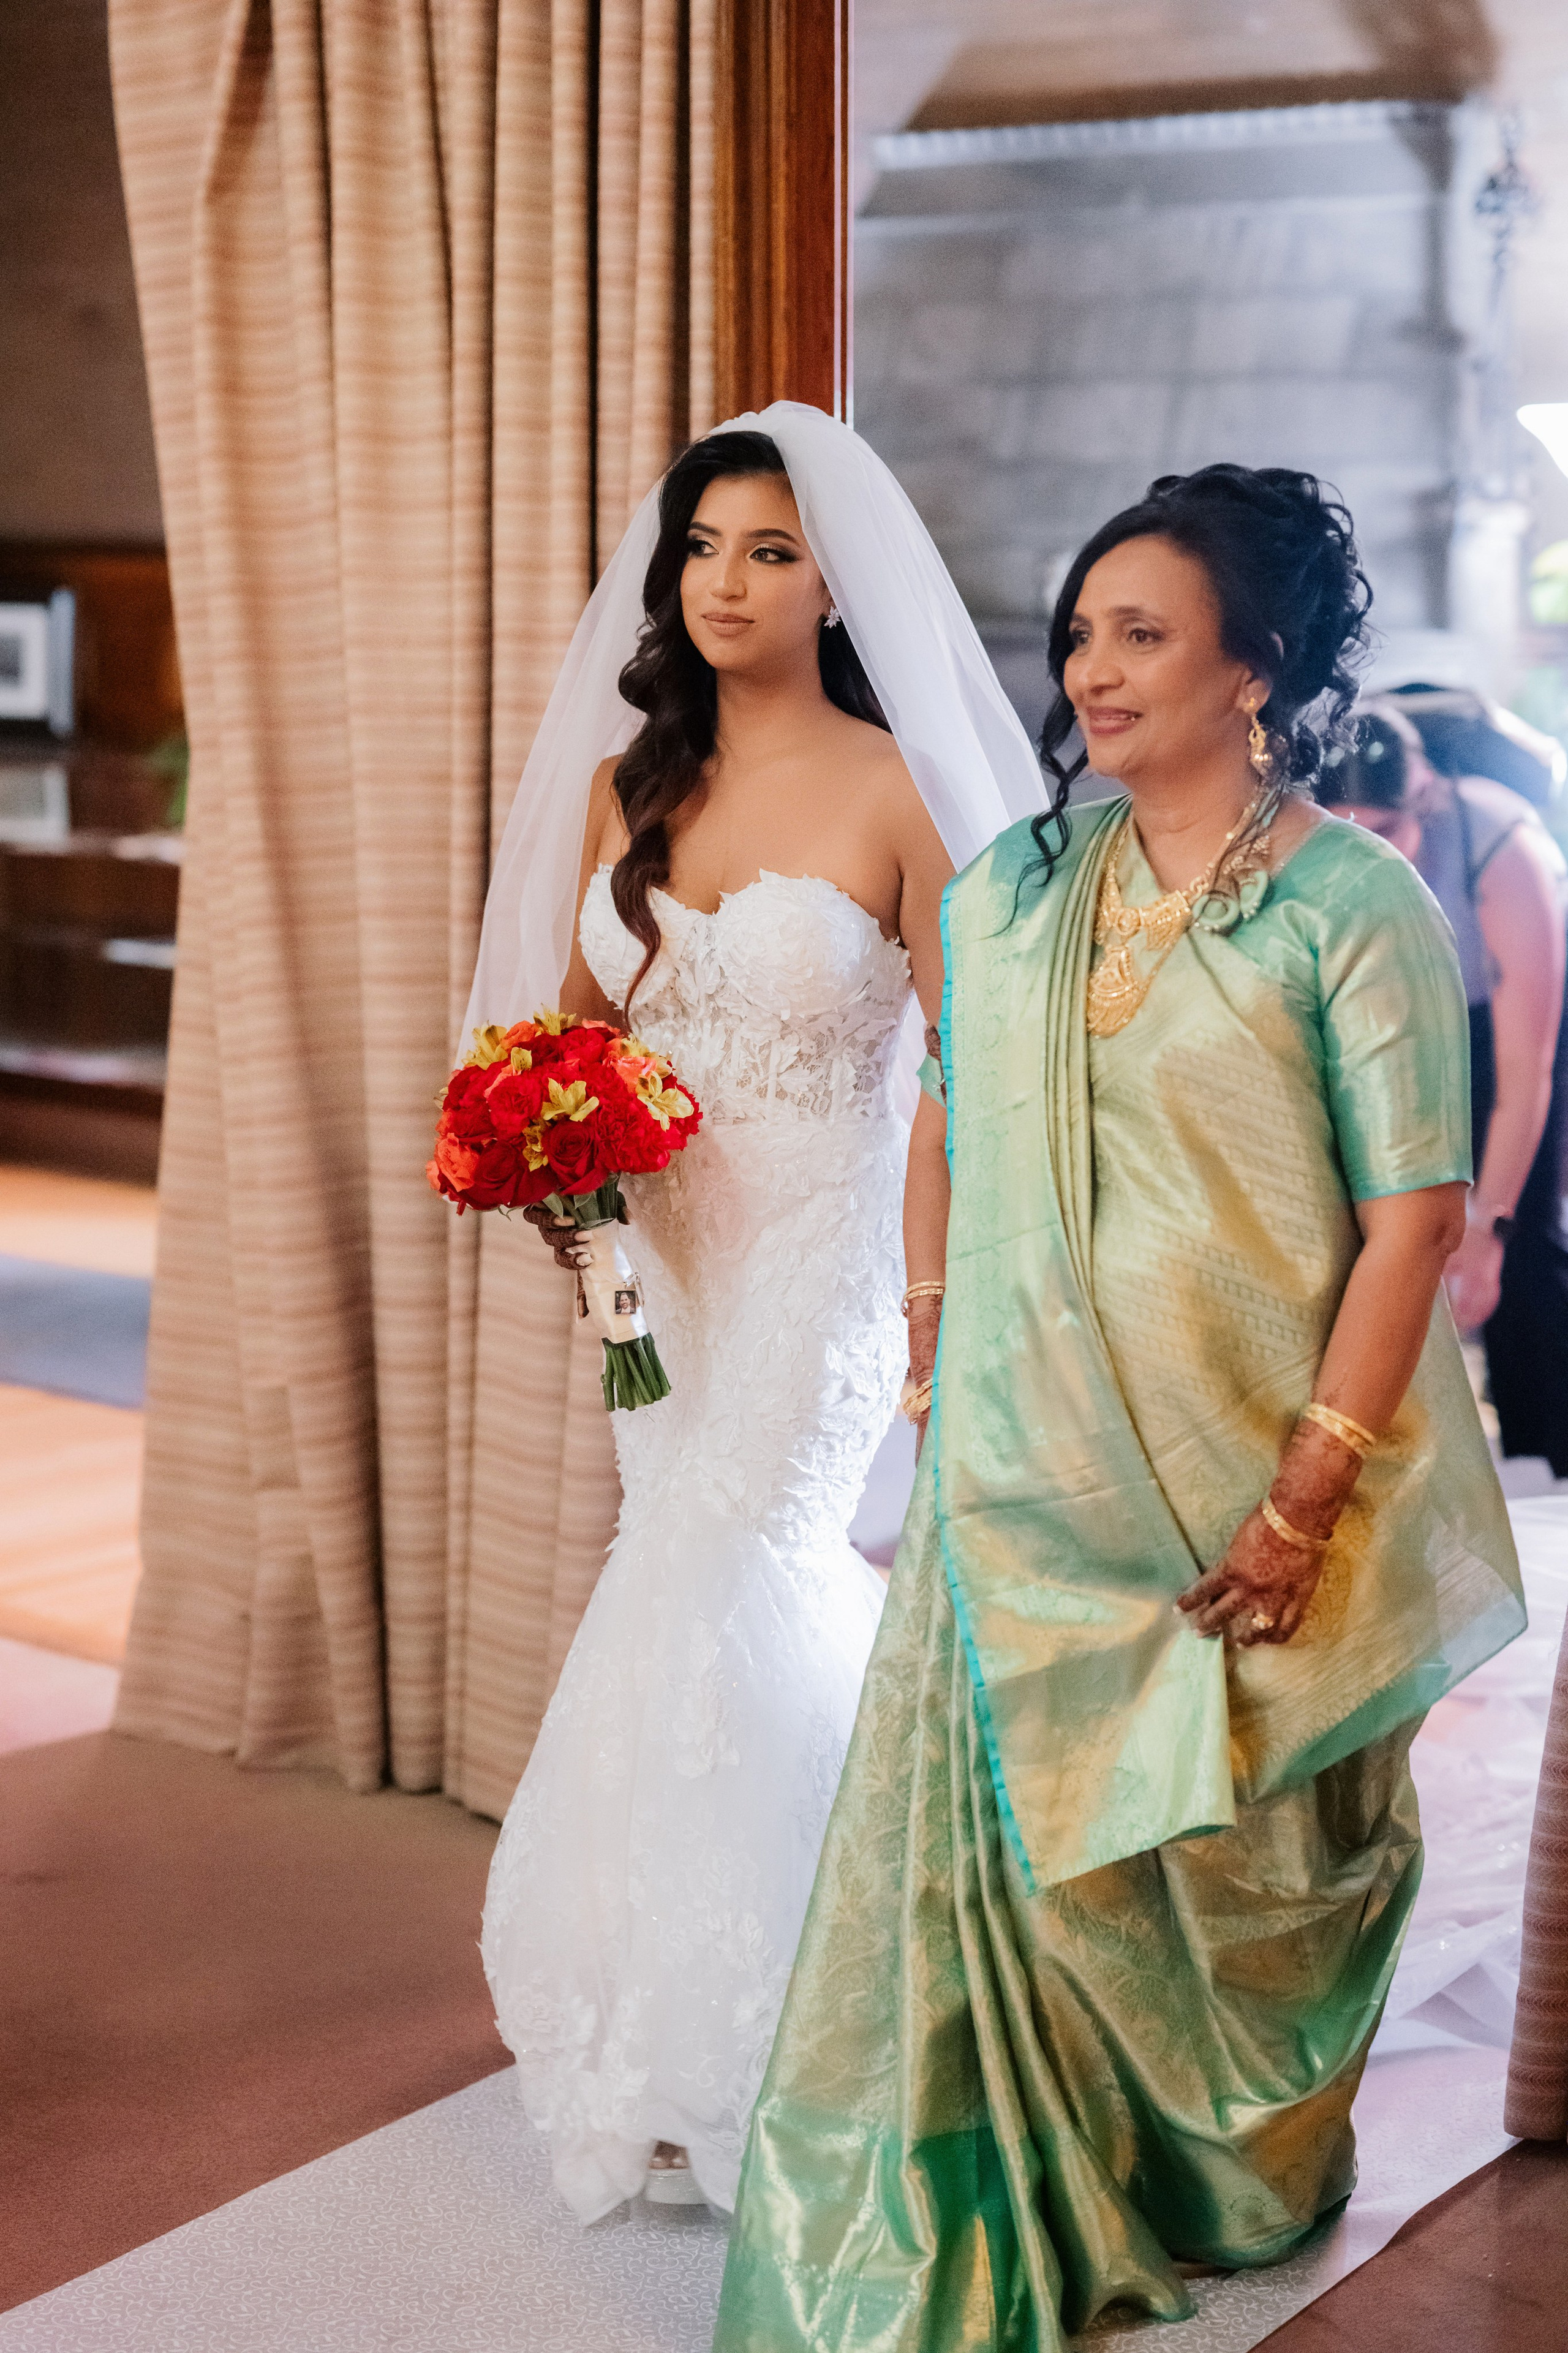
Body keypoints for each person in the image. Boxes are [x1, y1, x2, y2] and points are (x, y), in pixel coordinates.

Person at [714, 466, 1525, 2350]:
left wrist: (1309, 1485)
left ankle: (1210, 2163)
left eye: (1138, 632)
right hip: (1018, 1467)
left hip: (1253, 1455)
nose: (1088, 667)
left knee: (1242, 1853)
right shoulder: (1009, 889)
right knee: (988, 1861)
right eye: (1079, 630)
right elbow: (939, 1120)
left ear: (1257, 668)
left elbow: (1407, 1214)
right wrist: (936, 1359)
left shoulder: (1356, 903)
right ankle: (962, 2181)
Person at [467, 404, 1044, 2221]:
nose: (730, 581)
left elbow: (973, 1067)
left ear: (833, 580)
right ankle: (669, 2019)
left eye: (772, 550)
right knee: (687, 1579)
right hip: (660, 1275)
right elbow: (556, 1045)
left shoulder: (896, 787)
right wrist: (560, 1189)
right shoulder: (623, 788)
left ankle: (789, 2032)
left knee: (733, 1562)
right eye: (707, 546)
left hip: (825, 1260)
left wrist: (941, 1302)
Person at [1321, 703, 1568, 1475]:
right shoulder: (1320, 854)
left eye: (1386, 832)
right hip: (1411, 1020)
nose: (1368, 853)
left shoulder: (1499, 842)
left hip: (1512, 1022)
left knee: (1519, 1246)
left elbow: (1525, 1069)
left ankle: (1548, 1459)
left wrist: (1487, 1226)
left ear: (1423, 803)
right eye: (1346, 831)